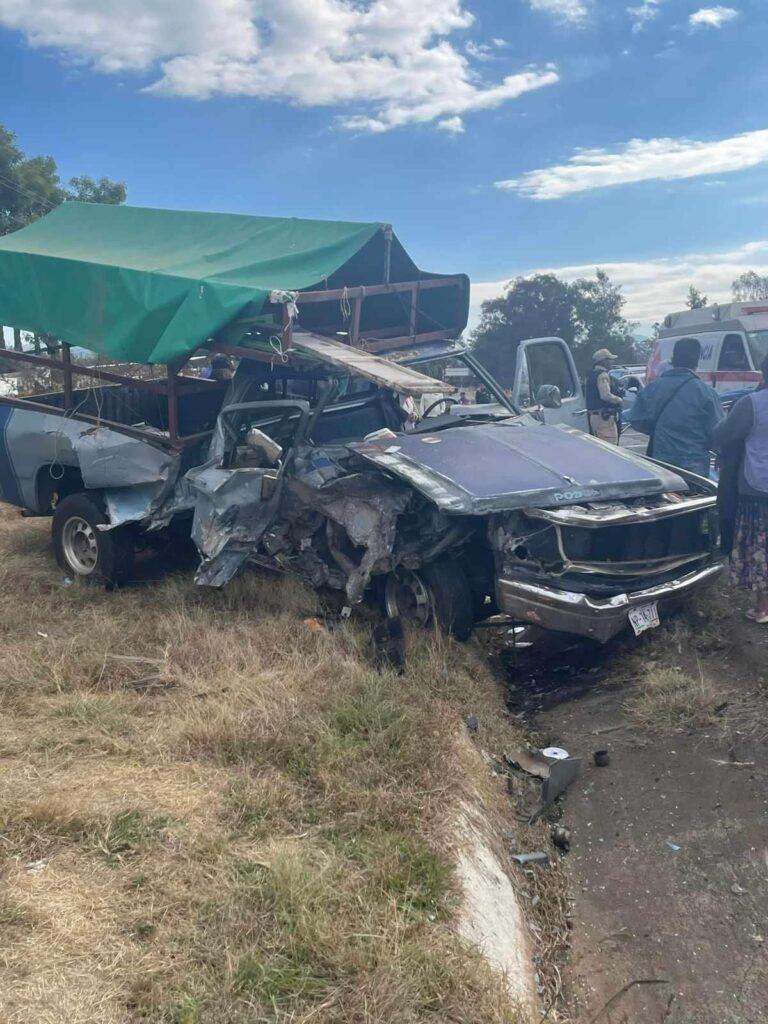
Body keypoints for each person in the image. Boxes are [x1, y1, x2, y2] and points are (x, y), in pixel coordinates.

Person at [713, 355, 768, 621]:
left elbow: (723, 434)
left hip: (757, 487)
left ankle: (762, 608)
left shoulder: (751, 404)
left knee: (761, 549)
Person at [629, 336, 723, 476]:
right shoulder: (705, 392)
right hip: (694, 463)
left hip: (661, 461)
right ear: (696, 361)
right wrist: (721, 453)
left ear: (673, 358)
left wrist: (658, 430)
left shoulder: (652, 388)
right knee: (696, 497)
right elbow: (718, 431)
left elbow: (636, 419)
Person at [586, 349, 623, 444]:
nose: (612, 362)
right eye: (610, 359)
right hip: (604, 419)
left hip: (594, 417)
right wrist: (618, 400)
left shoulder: (591, 375)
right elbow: (605, 395)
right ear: (604, 361)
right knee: (610, 446)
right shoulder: (603, 375)